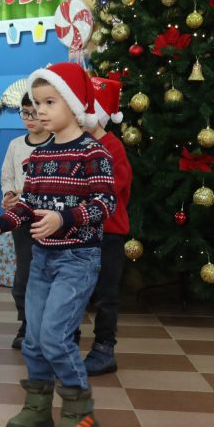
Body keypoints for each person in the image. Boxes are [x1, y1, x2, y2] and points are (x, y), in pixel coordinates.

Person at [0, 62, 115, 427]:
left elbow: (105, 203)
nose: (40, 110)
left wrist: (63, 218)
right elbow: (27, 205)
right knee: (34, 338)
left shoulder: (93, 153)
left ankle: (80, 412)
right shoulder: (37, 157)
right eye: (37, 103)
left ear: (72, 102)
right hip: (42, 260)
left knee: (55, 335)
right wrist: (0, 225)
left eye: (50, 102)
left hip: (77, 259)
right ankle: (38, 406)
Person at [81, 77, 132, 375]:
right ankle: (67, 341)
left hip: (108, 233)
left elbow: (113, 187)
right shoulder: (79, 144)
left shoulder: (113, 146)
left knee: (105, 293)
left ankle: (104, 348)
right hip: (81, 231)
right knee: (76, 289)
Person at [1, 93, 55, 349]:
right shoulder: (15, 145)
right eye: (25, 113)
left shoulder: (57, 144)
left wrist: (25, 192)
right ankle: (26, 324)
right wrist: (9, 195)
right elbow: (7, 178)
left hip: (50, 222)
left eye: (34, 113)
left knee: (50, 275)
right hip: (22, 221)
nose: (30, 119)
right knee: (23, 275)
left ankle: (51, 326)